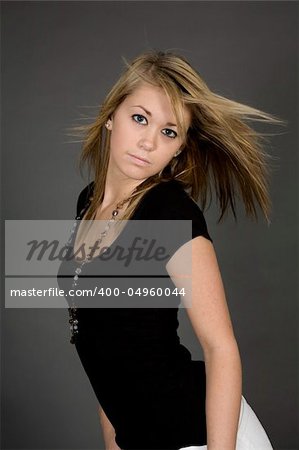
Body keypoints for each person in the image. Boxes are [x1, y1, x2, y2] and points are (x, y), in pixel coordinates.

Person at [57, 49, 284, 449]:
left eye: (168, 131)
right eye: (140, 118)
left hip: (200, 436)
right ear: (112, 116)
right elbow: (103, 354)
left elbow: (221, 349)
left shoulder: (170, 213)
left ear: (178, 147)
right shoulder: (88, 202)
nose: (148, 142)